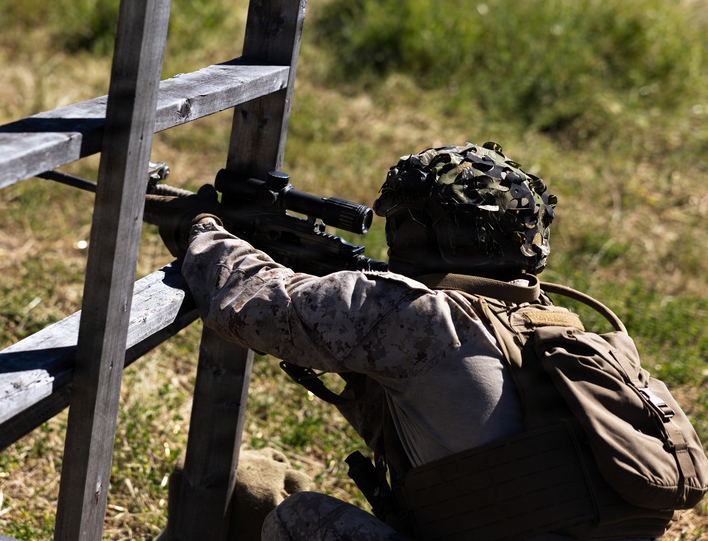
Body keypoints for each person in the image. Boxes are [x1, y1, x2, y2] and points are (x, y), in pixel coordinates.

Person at [159, 142, 670, 541]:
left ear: (421, 234)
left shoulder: (421, 317)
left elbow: (255, 303)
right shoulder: (563, 328)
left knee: (300, 521)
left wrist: (202, 229)